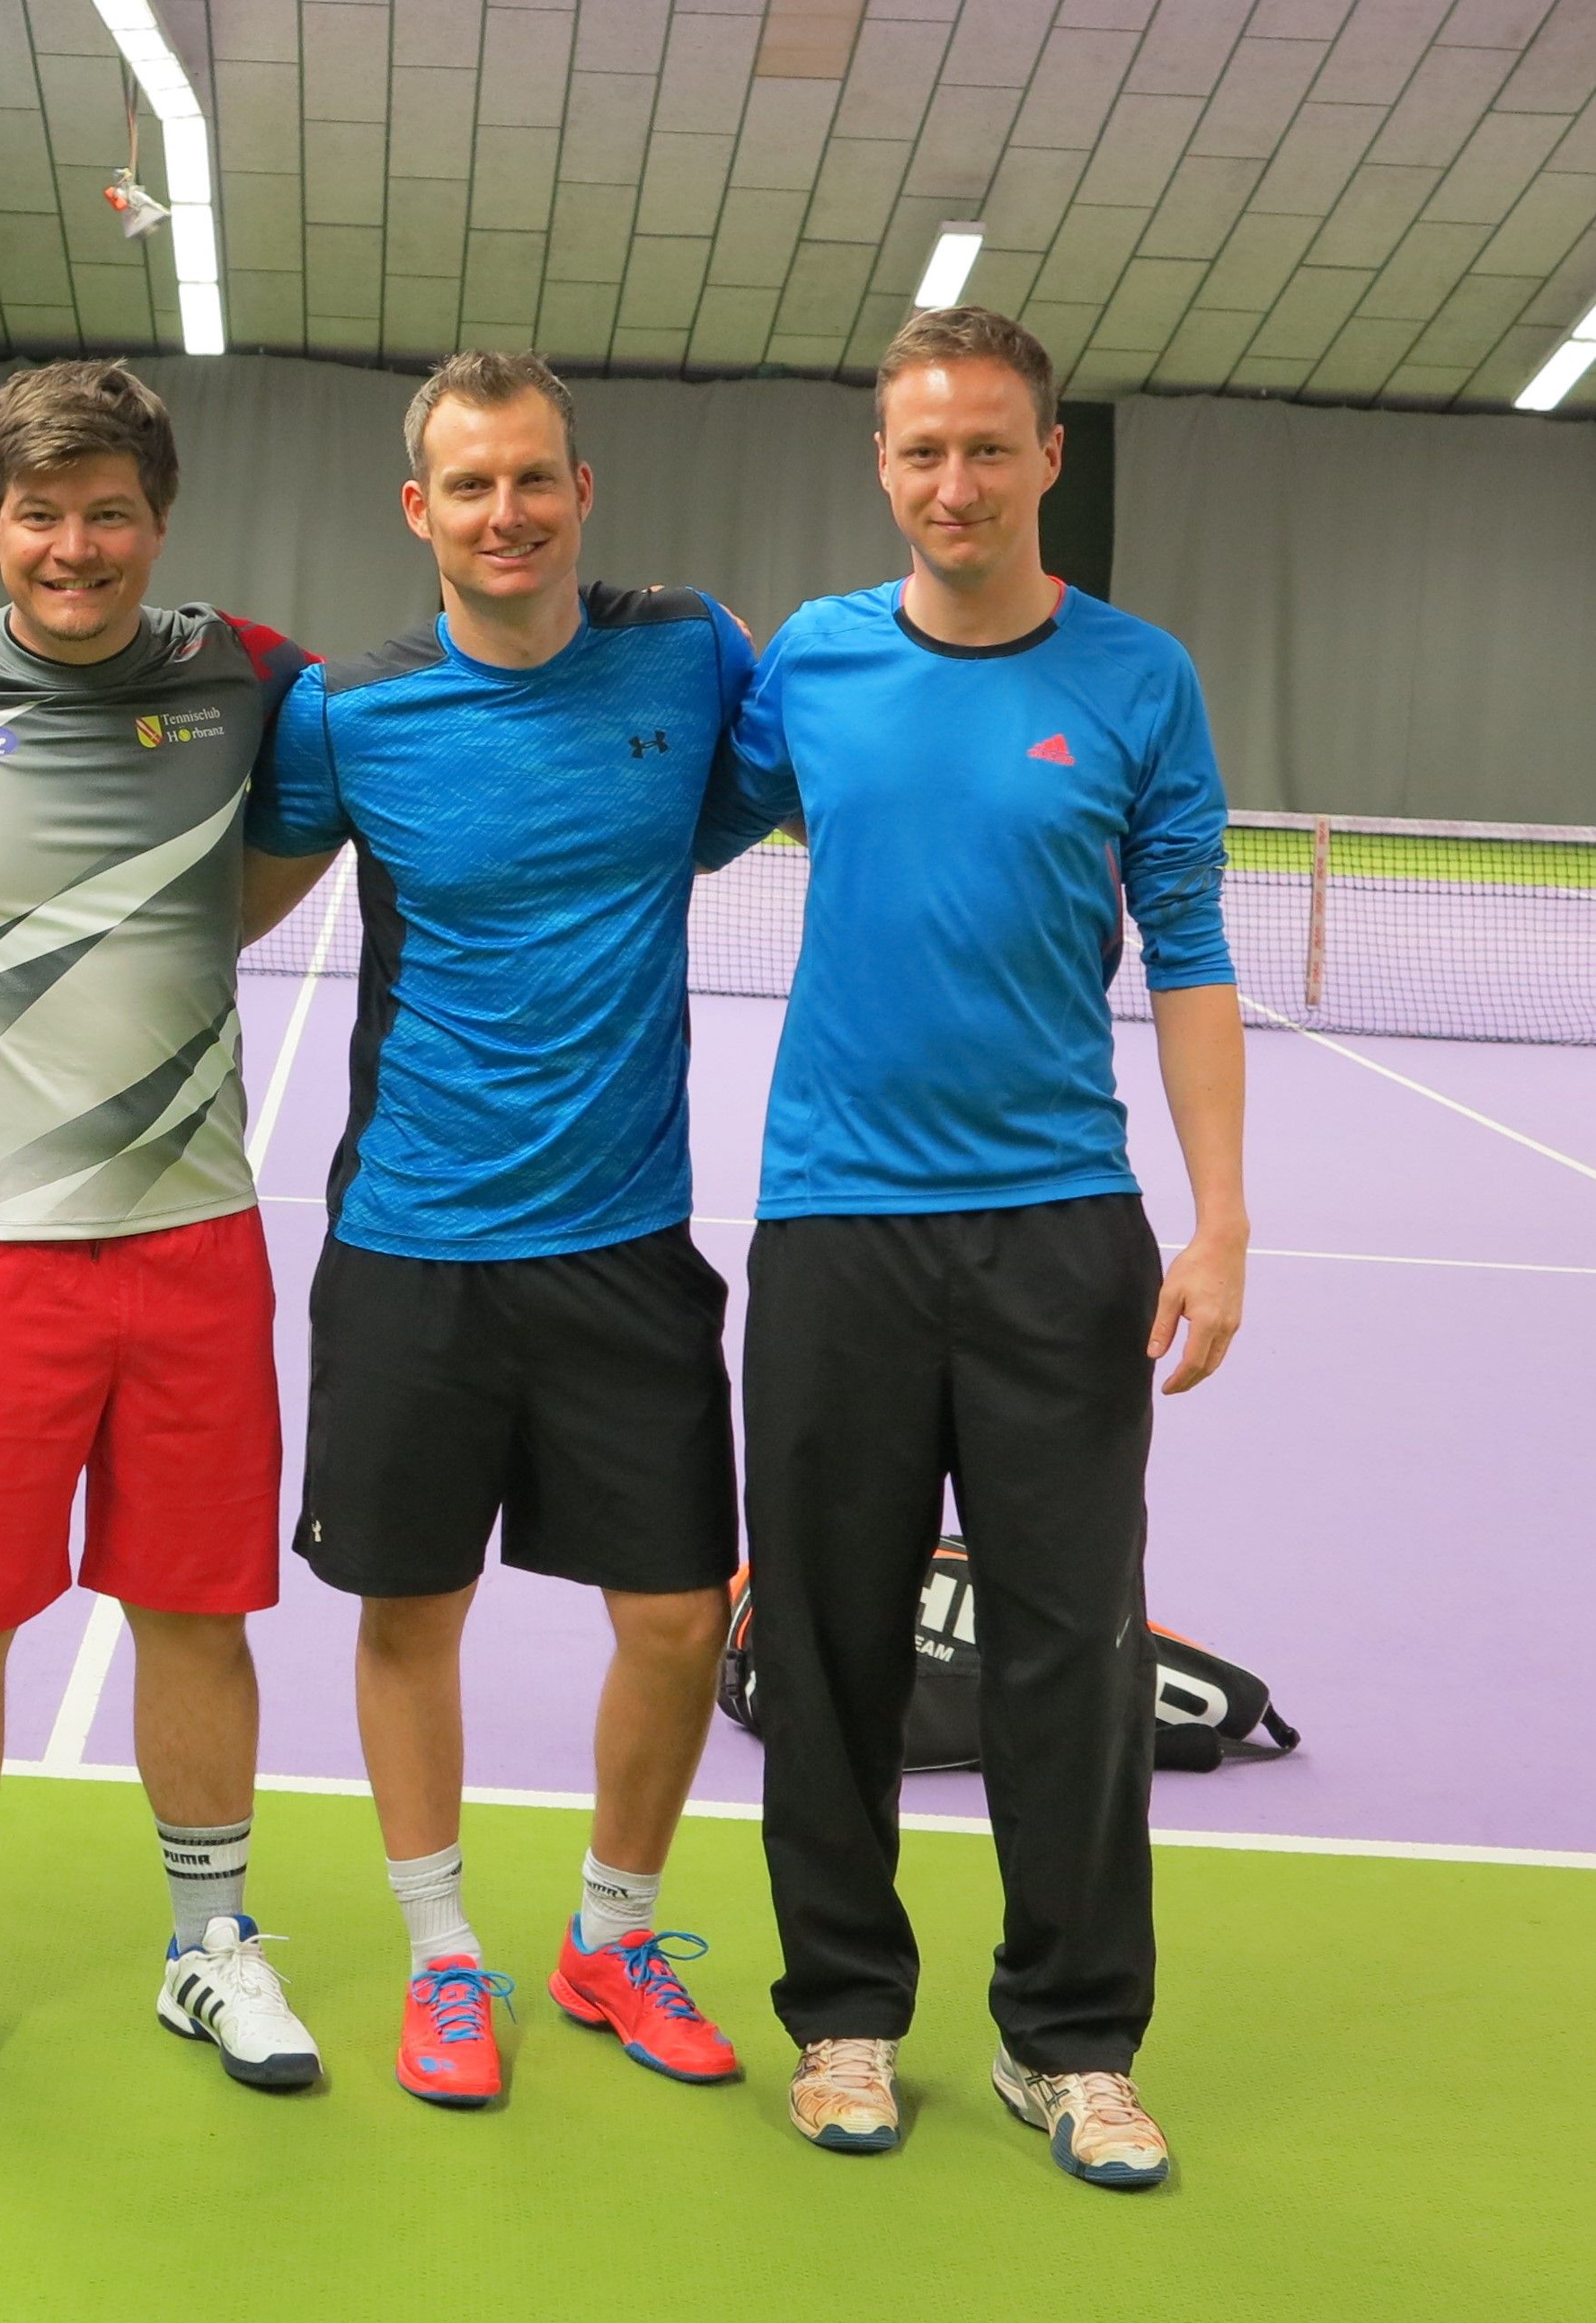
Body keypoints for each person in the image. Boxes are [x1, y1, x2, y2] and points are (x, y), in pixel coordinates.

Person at [712, 306, 1246, 2190]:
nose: (954, 482)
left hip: (1056, 1236)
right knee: (827, 1646)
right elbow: (665, 819)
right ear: (882, 466)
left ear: (1044, 460)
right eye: (921, 450)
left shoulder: (1136, 677)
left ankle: (1068, 2041)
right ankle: (841, 2013)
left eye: (987, 447)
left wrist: (1218, 1217)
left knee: (1069, 1656)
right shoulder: (810, 662)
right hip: (832, 1228)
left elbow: (1187, 947)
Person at [244, 352, 759, 2108]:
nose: (504, 512)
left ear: (579, 489)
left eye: (532, 477)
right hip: (411, 1240)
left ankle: (610, 1936)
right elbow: (212, 891)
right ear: (418, 510)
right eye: (468, 485)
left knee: (676, 1618)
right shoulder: (347, 714)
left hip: (623, 1239)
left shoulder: (686, 656)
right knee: (410, 1611)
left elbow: (770, 791)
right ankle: (441, 1954)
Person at [0, 363, 324, 2101]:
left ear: (157, 521)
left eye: (108, 512)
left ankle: (208, 1945)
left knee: (197, 1610)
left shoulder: (244, 672)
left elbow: (376, 733)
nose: (74, 547)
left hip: (192, 1229)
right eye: (39, 514)